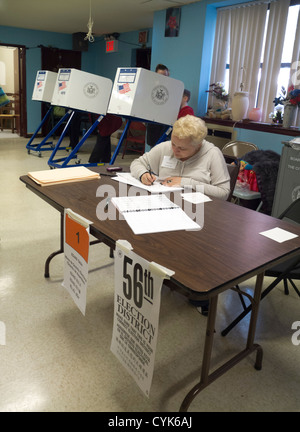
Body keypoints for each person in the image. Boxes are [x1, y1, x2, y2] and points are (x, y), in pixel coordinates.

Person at [131, 114, 230, 200]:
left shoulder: (213, 154)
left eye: (182, 148)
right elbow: (137, 163)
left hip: (200, 210)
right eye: (173, 144)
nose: (174, 150)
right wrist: (142, 174)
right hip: (164, 202)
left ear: (198, 145)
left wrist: (186, 182)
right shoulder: (165, 147)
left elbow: (223, 193)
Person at [145, 64, 170, 150]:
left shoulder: (171, 89)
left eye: (165, 76)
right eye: (160, 76)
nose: (163, 78)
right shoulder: (150, 88)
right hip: (153, 124)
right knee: (154, 151)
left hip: (166, 125)